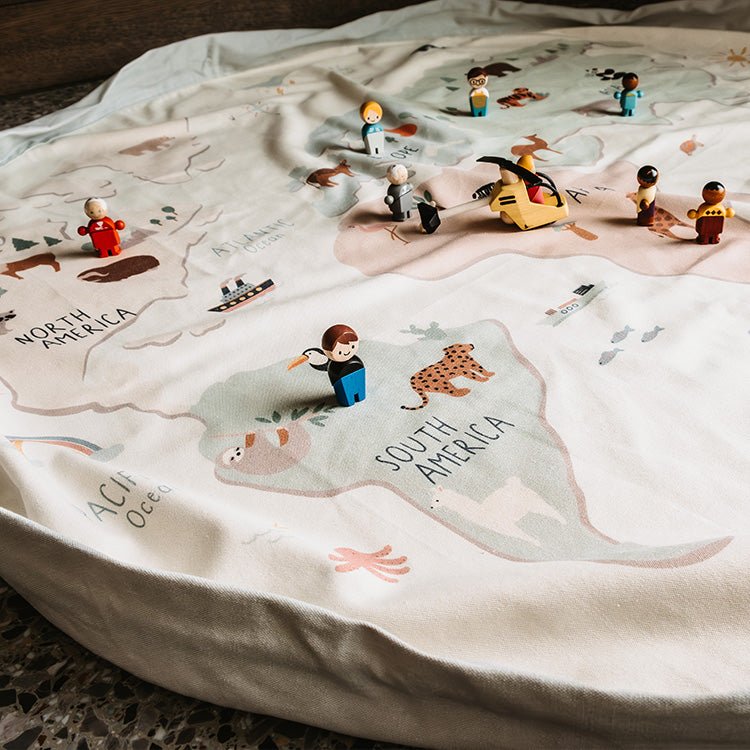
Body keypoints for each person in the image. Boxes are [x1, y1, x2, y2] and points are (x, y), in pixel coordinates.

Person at [321, 325, 366, 407]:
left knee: (360, 391)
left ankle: (360, 396)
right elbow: (334, 381)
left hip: (357, 375)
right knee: (346, 398)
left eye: (352, 346)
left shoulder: (357, 361)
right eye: (340, 352)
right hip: (342, 381)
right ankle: (348, 401)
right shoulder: (333, 367)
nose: (346, 352)